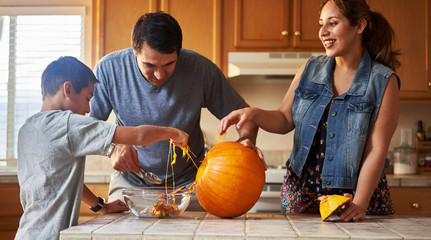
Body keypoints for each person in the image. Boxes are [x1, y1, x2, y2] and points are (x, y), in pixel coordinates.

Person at [220, 0, 400, 222]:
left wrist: (360, 202)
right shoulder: (309, 69)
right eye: (321, 24)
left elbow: (376, 149)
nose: (323, 32)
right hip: (301, 194)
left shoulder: (383, 81)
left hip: (354, 198)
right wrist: (254, 114)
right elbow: (285, 119)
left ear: (360, 26)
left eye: (332, 23)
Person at [89, 11, 261, 208]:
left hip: (193, 185)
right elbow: (87, 128)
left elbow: (247, 117)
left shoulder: (201, 69)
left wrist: (246, 140)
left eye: (169, 64)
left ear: (179, 52)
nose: (159, 74)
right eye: (149, 65)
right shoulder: (108, 70)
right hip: (130, 184)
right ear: (134, 52)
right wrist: (112, 148)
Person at [15, 56, 189, 240]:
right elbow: (138, 136)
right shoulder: (67, 124)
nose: (89, 109)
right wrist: (172, 132)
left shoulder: (27, 128)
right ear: (68, 89)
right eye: (87, 98)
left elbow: (62, 181)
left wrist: (100, 206)